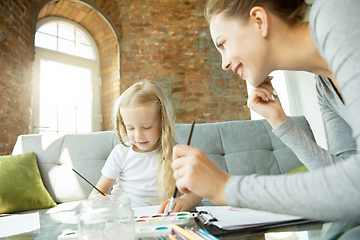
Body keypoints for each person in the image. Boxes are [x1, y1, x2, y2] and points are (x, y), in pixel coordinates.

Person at [171, 0, 360, 222]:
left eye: (222, 43)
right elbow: (340, 180)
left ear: (259, 21)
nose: (223, 64)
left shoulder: (338, 13)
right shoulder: (325, 86)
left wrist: (226, 188)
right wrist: (279, 120)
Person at [89, 81, 202, 212]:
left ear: (162, 122)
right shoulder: (121, 153)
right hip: (123, 216)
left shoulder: (175, 153)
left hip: (155, 219)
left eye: (146, 127)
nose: (138, 135)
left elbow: (198, 191)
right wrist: (99, 200)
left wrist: (185, 200)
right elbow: (95, 194)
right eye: (130, 128)